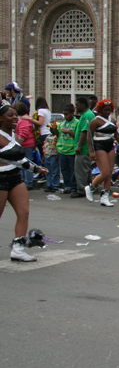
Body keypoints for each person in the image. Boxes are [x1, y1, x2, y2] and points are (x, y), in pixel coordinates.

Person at [0, 103, 48, 262]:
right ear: (1, 119)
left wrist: (36, 169)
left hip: (15, 177)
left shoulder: (12, 134)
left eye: (15, 115)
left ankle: (18, 249)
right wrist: (34, 168)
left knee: (24, 212)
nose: (15, 117)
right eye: (10, 115)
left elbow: (19, 160)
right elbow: (17, 158)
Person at [85, 99, 119, 206]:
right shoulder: (96, 121)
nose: (107, 112)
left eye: (109, 110)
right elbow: (89, 136)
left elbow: (117, 135)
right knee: (104, 172)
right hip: (99, 145)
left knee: (110, 172)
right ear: (100, 110)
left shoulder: (112, 120)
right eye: (105, 110)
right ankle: (91, 187)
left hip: (110, 145)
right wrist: (91, 151)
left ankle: (105, 196)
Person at [72, 97, 95, 198]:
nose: (76, 107)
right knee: (85, 169)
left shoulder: (88, 115)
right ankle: (87, 187)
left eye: (78, 104)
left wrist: (79, 145)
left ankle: (81, 189)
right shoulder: (84, 115)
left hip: (84, 148)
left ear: (83, 105)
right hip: (84, 148)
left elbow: (85, 131)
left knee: (81, 170)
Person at [53, 104, 78, 196]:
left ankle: (73, 187)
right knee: (64, 170)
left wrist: (68, 131)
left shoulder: (77, 123)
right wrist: (54, 129)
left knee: (72, 170)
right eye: (64, 114)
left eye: (67, 114)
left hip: (72, 150)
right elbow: (58, 135)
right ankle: (67, 186)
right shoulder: (62, 123)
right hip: (62, 150)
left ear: (72, 113)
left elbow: (78, 136)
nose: (65, 116)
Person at [14, 102, 36, 190]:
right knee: (22, 164)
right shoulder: (23, 119)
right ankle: (24, 181)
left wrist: (18, 143)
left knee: (27, 164)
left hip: (26, 145)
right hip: (24, 145)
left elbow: (23, 134)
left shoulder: (24, 120)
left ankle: (28, 183)